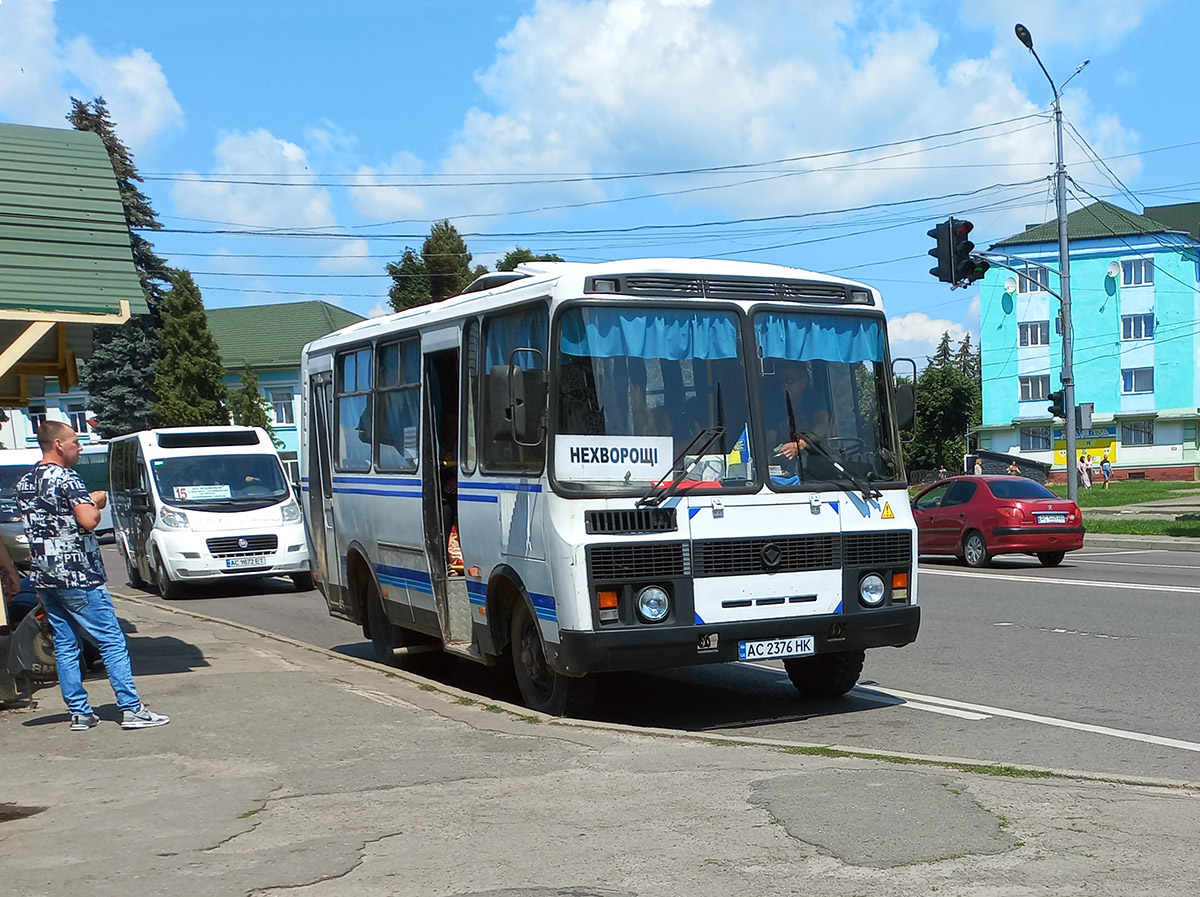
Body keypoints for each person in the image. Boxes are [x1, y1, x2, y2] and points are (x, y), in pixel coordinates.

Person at [15, 421, 169, 731]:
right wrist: (95, 503)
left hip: (45, 576)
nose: (79, 447)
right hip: (78, 575)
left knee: (65, 643)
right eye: (75, 442)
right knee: (110, 640)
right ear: (58, 444)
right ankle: (131, 708)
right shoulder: (67, 478)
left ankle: (79, 712)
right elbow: (87, 521)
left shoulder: (25, 483)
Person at [768, 362, 829, 480]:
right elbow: (769, 441)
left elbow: (822, 426)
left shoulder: (815, 399)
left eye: (789, 381)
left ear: (804, 382)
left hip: (817, 465)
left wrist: (799, 445)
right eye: (781, 382)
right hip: (785, 469)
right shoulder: (773, 405)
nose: (784, 386)